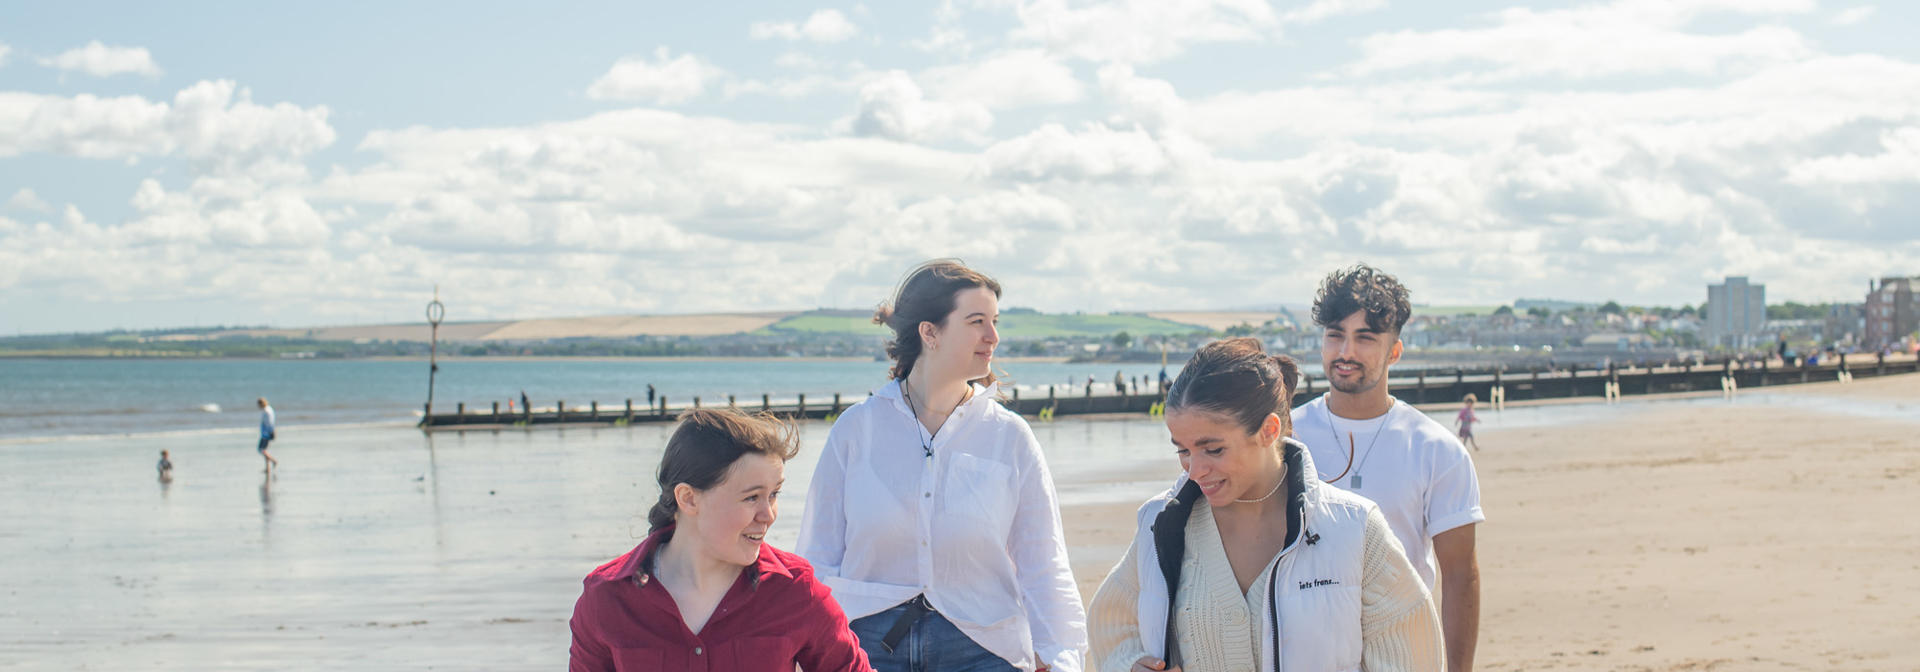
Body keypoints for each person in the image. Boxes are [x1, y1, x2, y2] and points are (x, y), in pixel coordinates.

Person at [798, 259, 1087, 672]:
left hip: (985, 648)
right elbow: (818, 555)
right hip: (868, 650)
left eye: (995, 321)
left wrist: (1061, 657)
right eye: (976, 322)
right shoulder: (856, 430)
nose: (993, 336)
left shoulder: (1010, 437)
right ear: (929, 332)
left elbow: (1043, 560)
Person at [1088, 338, 1443, 672]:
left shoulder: (1355, 528)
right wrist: (1130, 664)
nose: (1195, 470)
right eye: (1183, 450)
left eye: (1213, 449)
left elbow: (1410, 655)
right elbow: (1112, 627)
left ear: (1270, 430)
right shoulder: (1159, 524)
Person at [569, 409, 871, 671]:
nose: (768, 515)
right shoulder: (606, 598)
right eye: (751, 497)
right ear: (688, 499)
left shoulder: (796, 591)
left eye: (773, 495)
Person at [1290, 265, 1484, 672]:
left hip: (1402, 651)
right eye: (1335, 335)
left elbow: (1460, 574)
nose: (1346, 352)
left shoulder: (1437, 451)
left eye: (1365, 338)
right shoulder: (1285, 439)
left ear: (1394, 351)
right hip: (1301, 650)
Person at [256, 398, 279, 471]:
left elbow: (270, 423)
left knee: (261, 450)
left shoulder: (267, 411)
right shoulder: (268, 409)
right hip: (265, 432)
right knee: (264, 450)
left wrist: (271, 432)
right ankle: (268, 468)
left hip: (266, 433)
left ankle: (274, 461)